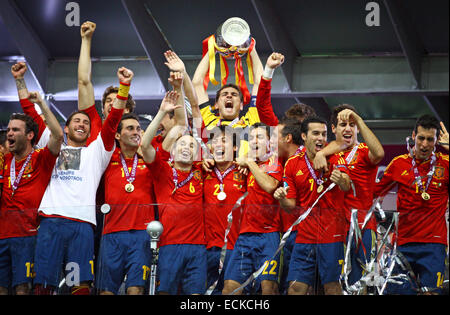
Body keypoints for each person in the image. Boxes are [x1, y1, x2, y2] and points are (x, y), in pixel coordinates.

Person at [31, 67, 131, 295]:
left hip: (81, 225)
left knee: (79, 284)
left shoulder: (97, 152)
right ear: (66, 128)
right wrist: (21, 84)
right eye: (76, 120)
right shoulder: (55, 146)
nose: (82, 124)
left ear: (89, 131)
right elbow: (35, 120)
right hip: (51, 222)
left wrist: (124, 87)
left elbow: (113, 120)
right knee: (43, 283)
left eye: (86, 122)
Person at [141, 71, 207, 295]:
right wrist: (161, 112)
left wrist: (179, 88)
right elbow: (145, 145)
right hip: (169, 246)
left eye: (191, 146)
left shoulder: (201, 171)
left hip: (198, 247)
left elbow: (190, 117)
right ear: (173, 150)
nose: (187, 148)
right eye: (182, 145)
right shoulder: (162, 170)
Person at [273, 116, 351, 295]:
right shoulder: (292, 163)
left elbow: (346, 185)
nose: (321, 138)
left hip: (332, 236)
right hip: (304, 236)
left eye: (324, 134)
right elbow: (290, 206)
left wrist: (341, 179)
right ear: (304, 136)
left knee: (332, 288)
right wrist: (281, 198)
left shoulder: (335, 156)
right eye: (315, 133)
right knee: (295, 288)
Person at [375, 115, 449, 295]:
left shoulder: (445, 164)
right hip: (403, 244)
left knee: (431, 293)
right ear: (413, 136)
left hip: (433, 244)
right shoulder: (399, 164)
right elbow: (373, 192)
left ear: (436, 140)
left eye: (430, 139)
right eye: (421, 138)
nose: (424, 144)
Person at [313, 104, 385, 289]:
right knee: (331, 281)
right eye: (343, 124)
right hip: (332, 227)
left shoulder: (362, 150)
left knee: (359, 282)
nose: (348, 128)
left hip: (362, 225)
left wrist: (360, 120)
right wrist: (321, 152)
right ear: (333, 129)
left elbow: (379, 153)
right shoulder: (328, 151)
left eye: (351, 125)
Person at [0, 91, 63, 295]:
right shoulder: (4, 160)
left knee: (23, 288)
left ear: (29, 135)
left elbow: (58, 135)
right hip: (2, 234)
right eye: (8, 129)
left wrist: (42, 105)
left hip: (28, 234)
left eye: (15, 130)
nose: (9, 133)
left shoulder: (41, 158)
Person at [96, 113, 156, 295]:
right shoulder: (106, 158)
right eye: (130, 128)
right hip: (111, 233)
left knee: (136, 289)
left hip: (142, 235)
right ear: (117, 135)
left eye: (139, 129)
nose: (136, 132)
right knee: (105, 291)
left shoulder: (149, 158)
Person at [222, 122, 283, 295]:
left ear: (270, 142)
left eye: (260, 137)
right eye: (251, 137)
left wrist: (249, 162)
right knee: (230, 289)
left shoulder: (275, 163)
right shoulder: (248, 165)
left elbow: (270, 186)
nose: (254, 141)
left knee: (268, 289)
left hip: (269, 236)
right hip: (244, 236)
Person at [192, 44, 263, 157]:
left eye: (234, 95)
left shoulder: (250, 121)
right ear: (216, 104)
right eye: (224, 94)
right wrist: (212, 49)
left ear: (241, 105)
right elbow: (197, 83)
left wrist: (252, 47)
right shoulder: (209, 120)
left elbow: (260, 83)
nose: (229, 96)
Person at [77, 21, 136, 146]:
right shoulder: (93, 122)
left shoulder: (136, 136)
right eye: (108, 101)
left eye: (116, 100)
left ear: (127, 110)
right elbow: (84, 82)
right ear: (103, 109)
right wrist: (86, 39)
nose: (112, 104)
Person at [203, 125, 246, 294]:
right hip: (206, 247)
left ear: (235, 147)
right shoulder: (201, 170)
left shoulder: (245, 172)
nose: (218, 145)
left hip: (236, 247)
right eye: (214, 141)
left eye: (224, 140)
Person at [256, 52, 316, 127]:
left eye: (302, 127)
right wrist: (269, 69)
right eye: (295, 125)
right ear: (286, 124)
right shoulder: (279, 132)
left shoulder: (318, 136)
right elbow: (263, 106)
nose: (297, 131)